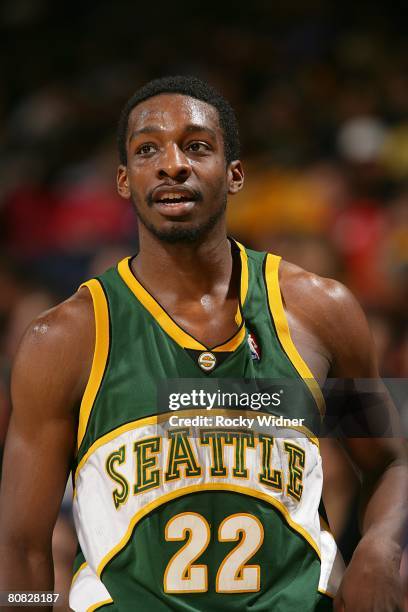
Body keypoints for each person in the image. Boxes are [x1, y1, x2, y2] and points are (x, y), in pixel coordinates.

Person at [0, 75, 406, 612]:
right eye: (148, 149)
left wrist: (379, 550)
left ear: (234, 174)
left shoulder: (322, 311)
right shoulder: (64, 339)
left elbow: (390, 463)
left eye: (196, 146)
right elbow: (22, 548)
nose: (172, 164)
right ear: (124, 180)